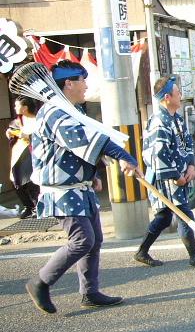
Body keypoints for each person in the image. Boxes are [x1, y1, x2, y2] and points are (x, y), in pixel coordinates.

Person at [25, 60, 142, 315]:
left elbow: (81, 147)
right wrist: (125, 157)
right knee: (82, 240)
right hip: (62, 190)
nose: (86, 85)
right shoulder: (55, 112)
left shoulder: (70, 110)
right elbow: (86, 140)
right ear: (68, 83)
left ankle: (90, 292)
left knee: (95, 240)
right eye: (82, 80)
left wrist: (92, 174)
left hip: (79, 187)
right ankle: (40, 281)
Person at [133, 75, 195, 268]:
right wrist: (176, 176)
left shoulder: (177, 119)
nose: (181, 95)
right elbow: (158, 155)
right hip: (165, 180)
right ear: (167, 98)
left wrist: (191, 165)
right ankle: (194, 256)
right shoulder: (159, 122)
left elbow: (187, 144)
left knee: (163, 218)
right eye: (178, 93)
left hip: (179, 175)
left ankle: (141, 251)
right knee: (183, 213)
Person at [5, 96, 40, 218]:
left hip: (31, 153)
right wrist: (10, 134)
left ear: (25, 108)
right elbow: (12, 133)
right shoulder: (17, 121)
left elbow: (40, 138)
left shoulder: (37, 121)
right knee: (17, 181)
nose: (15, 107)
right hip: (17, 153)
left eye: (17, 105)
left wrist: (26, 135)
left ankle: (37, 207)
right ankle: (28, 206)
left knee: (31, 181)